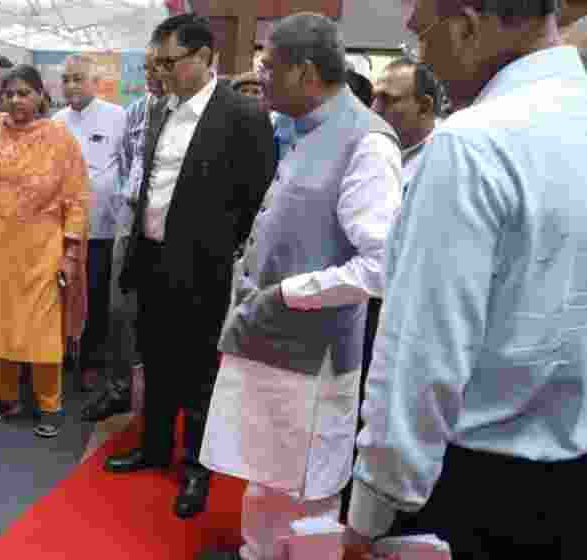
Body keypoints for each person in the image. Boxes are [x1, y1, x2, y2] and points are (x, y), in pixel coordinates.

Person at [343, 1, 587, 558]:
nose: (421, 56)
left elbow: (421, 355)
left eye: (421, 38)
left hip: (476, 487)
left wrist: (369, 514)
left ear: (469, 27)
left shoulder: (472, 143)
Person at [198, 12, 402, 560]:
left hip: (313, 360)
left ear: (306, 73)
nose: (259, 76)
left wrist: (288, 293)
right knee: (267, 475)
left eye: (269, 67)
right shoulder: (304, 128)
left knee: (307, 491)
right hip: (273, 344)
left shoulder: (366, 144)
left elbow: (382, 265)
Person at [108, 14, 276, 520]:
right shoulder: (162, 110)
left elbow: (257, 195)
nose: (160, 71)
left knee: (200, 371)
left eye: (169, 62)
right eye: (156, 62)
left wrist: (221, 248)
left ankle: (198, 467)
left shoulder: (242, 115)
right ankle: (153, 446)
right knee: (156, 358)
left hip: (203, 265)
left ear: (205, 58)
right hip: (152, 256)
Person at [0, 64, 89, 439]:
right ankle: (5, 398)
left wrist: (70, 253)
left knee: (41, 329)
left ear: (41, 95)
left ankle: (49, 403)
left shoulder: (60, 140)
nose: (15, 100)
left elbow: (77, 199)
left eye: (24, 92)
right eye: (9, 93)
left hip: (41, 250)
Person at [81, 42, 166, 423]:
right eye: (146, 68)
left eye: (159, 66)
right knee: (119, 309)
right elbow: (127, 166)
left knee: (162, 314)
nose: (151, 74)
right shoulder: (134, 112)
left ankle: (161, 398)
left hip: (172, 225)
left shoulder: (191, 116)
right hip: (130, 219)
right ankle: (119, 388)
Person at [53, 54, 126, 393]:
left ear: (95, 82)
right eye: (66, 79)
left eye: (78, 78)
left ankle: (92, 362)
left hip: (101, 226)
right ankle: (63, 352)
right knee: (61, 293)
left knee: (96, 295)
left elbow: (128, 168)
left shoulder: (117, 117)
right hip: (60, 227)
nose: (71, 85)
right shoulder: (55, 121)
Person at [371, 57, 443, 194]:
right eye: (374, 98)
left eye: (386, 100)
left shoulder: (445, 159)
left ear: (424, 106)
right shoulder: (374, 149)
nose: (374, 109)